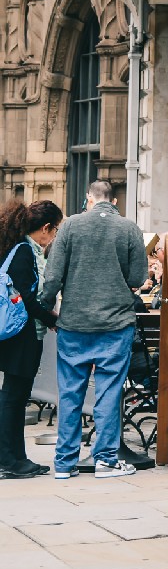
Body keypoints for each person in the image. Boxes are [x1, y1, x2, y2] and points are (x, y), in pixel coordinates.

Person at [38, 180, 148, 480]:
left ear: (89, 198)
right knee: (109, 392)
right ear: (114, 202)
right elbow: (138, 277)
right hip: (115, 323)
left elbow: (53, 275)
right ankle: (106, 461)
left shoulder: (71, 226)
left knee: (70, 393)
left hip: (74, 323)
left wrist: (47, 307)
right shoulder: (129, 228)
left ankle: (64, 463)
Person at [0, 200, 62, 478]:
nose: (55, 234)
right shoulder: (25, 251)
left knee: (15, 395)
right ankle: (8, 460)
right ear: (45, 227)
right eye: (55, 228)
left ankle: (17, 458)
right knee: (13, 397)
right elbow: (27, 300)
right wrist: (53, 320)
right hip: (21, 334)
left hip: (16, 333)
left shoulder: (17, 246)